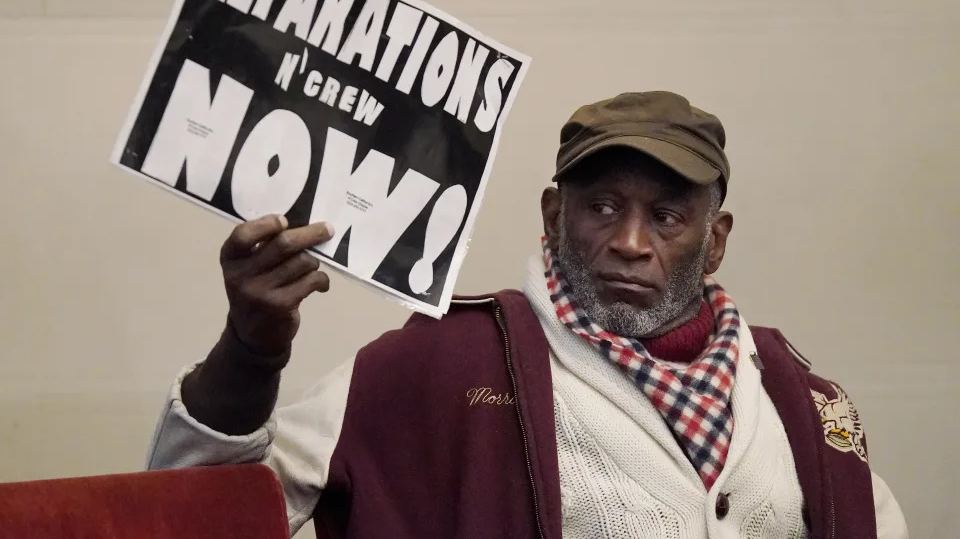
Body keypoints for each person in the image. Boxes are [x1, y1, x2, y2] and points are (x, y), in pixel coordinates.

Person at [146, 92, 909, 539]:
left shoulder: (799, 402)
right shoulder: (431, 366)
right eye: (602, 207)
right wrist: (250, 351)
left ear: (715, 241)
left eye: (669, 216)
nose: (631, 243)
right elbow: (189, 520)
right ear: (553, 217)